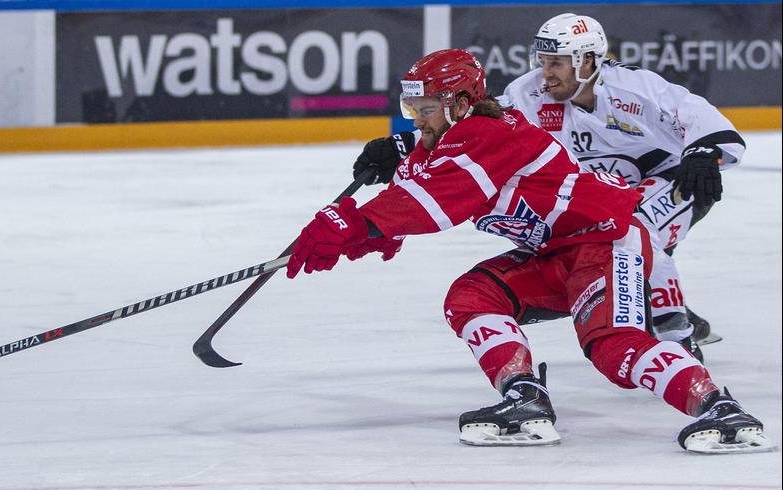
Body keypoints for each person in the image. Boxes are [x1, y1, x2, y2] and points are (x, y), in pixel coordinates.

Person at [288, 48, 774, 453]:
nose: (417, 118)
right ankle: (524, 399)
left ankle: (721, 411)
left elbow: (435, 202)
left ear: (459, 103)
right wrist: (358, 237)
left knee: (613, 348)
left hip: (609, 240)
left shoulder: (490, 135)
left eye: (427, 107)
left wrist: (348, 220)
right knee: (473, 295)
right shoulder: (446, 143)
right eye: (412, 107)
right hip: (557, 251)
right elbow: (415, 191)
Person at [354, 14, 744, 362]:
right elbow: (481, 127)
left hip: (673, 181)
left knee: (633, 229)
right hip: (611, 192)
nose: (546, 74)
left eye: (556, 63)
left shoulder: (635, 90)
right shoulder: (531, 94)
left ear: (587, 61)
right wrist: (404, 143)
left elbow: (706, 122)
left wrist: (704, 154)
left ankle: (678, 333)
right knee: (619, 239)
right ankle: (659, 308)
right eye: (542, 62)